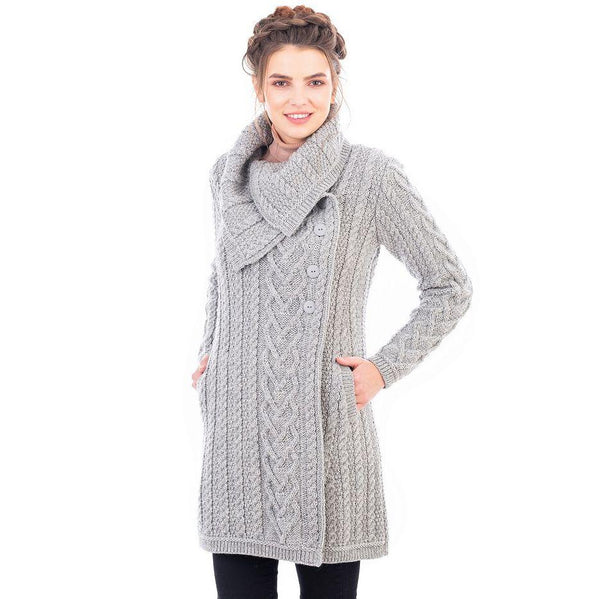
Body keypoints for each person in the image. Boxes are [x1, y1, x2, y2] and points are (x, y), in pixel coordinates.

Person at [191, 5, 473, 598]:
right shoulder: (227, 175)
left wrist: (382, 369)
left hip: (326, 429)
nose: (299, 99)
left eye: (315, 81)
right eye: (281, 82)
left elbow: (449, 286)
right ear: (258, 87)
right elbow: (224, 272)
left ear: (335, 84)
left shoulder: (370, 176)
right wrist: (209, 353)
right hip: (236, 436)